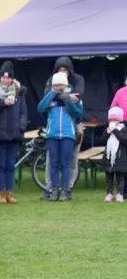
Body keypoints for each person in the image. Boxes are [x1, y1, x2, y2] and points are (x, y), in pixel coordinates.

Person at [42, 57, 85, 198]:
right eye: (59, 70)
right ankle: (51, 188)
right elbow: (44, 102)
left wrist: (66, 98)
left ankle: (67, 188)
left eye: (65, 70)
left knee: (71, 159)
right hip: (54, 127)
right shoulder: (51, 80)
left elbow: (78, 97)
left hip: (73, 125)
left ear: (70, 70)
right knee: (52, 160)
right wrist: (57, 95)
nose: (62, 72)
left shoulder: (78, 79)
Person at [0, 61, 27, 204]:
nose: (6, 80)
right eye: (3, 77)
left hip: (14, 133)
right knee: (1, 165)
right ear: (0, 78)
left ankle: (10, 191)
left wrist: (21, 127)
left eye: (8, 77)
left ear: (12, 78)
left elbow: (23, 112)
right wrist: (3, 104)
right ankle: (2, 192)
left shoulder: (19, 92)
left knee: (11, 164)